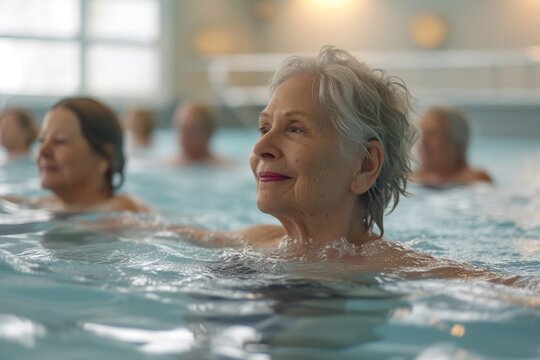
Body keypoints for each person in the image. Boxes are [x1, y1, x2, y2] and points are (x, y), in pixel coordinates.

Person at [153, 45, 507, 281]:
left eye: (294, 129)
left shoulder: (397, 269)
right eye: (264, 127)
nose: (261, 146)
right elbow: (155, 231)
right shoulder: (256, 240)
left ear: (365, 165)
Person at [1, 97, 148, 213]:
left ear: (104, 158)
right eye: (42, 140)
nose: (42, 151)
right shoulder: (54, 203)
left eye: (59, 141)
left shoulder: (121, 213)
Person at [412, 106, 492, 187]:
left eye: (432, 134)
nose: (422, 142)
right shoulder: (411, 179)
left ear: (457, 142)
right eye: (419, 134)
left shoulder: (476, 180)